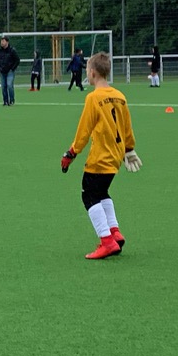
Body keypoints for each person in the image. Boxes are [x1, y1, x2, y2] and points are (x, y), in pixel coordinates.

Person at [61, 52, 142, 260]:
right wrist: (129, 149)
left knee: (88, 195)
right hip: (115, 157)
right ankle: (115, 232)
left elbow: (84, 131)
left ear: (92, 73)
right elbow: (127, 127)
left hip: (100, 157)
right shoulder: (120, 96)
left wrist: (71, 153)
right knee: (101, 192)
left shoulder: (93, 98)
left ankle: (106, 241)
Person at [0, 36, 20, 106]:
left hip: (10, 72)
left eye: (3, 41)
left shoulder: (12, 50)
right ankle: (5, 101)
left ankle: (11, 100)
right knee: (3, 87)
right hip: (2, 72)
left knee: (9, 85)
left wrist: (12, 69)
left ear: (7, 42)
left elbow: (17, 60)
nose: (2, 43)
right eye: (1, 41)